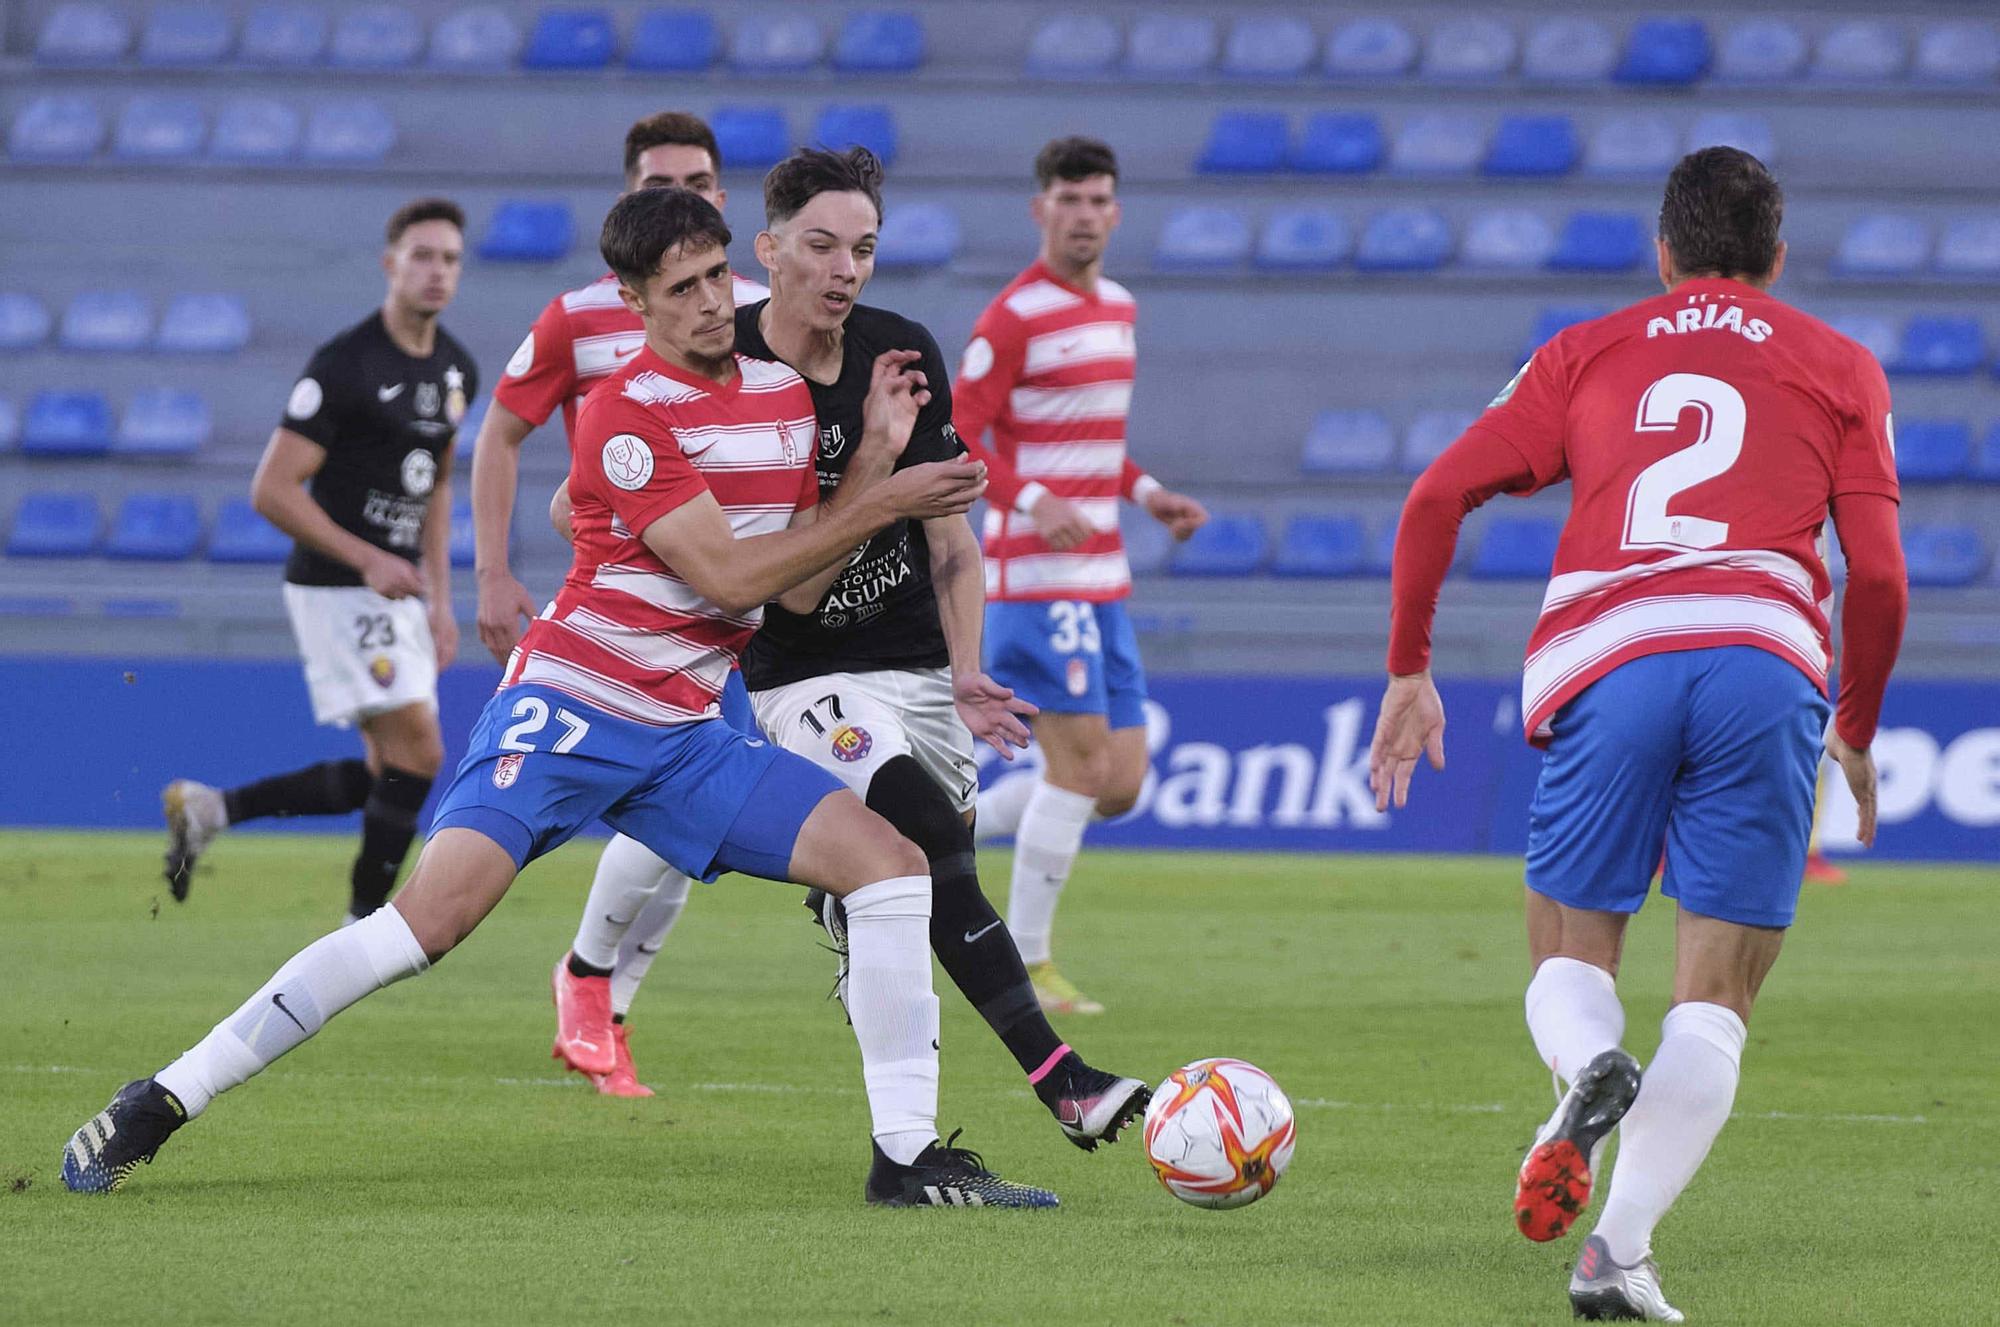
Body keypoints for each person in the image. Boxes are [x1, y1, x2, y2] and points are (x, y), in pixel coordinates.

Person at [64, 188, 1057, 1211]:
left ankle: (905, 1159)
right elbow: (725, 580)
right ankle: (163, 1097)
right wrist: (885, 495)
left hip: (683, 733)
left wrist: (877, 464)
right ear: (635, 302)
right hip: (573, 707)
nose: (714, 301)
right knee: (422, 927)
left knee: (891, 867)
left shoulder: (780, 401)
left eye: (719, 274)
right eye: (683, 288)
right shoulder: (625, 417)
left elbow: (794, 587)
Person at [1367, 147, 1907, 1321]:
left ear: (1658, 253)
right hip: (1763, 663)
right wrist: (1853, 728)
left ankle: (1580, 1069)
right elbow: (1876, 579)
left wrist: (1409, 668)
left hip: (1611, 656)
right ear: (1774, 256)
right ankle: (1613, 1249)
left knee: (1567, 951)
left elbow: (1429, 499)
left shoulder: (1585, 349)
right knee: (1715, 995)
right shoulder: (1838, 364)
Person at [553, 146, 1152, 1149]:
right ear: (770, 247)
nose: (844, 270)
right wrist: (870, 464)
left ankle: (856, 931)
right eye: (822, 246)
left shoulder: (900, 347)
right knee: (928, 840)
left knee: (928, 864)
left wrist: (964, 671)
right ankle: (1062, 1083)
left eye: (863, 249)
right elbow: (788, 588)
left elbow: (951, 543)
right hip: (800, 673)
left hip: (915, 665)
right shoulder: (727, 366)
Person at [470, 110, 768, 1095]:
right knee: (689, 811)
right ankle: (590, 977)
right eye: (652, 183)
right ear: (626, 199)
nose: (674, 194)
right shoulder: (578, 316)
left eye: (692, 181)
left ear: (722, 200)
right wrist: (493, 569)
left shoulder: (758, 314)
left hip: (738, 605)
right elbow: (502, 437)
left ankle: (598, 992)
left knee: (693, 836)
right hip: (632, 616)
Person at [161, 199, 477, 925]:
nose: (437, 271)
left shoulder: (457, 369)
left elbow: (437, 481)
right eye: (422, 255)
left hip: (399, 590)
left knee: (387, 770)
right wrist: (369, 559)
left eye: (450, 258)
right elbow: (271, 489)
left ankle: (210, 809)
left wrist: (440, 597)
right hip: (338, 585)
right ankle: (366, 925)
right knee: (422, 754)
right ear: (390, 263)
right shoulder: (346, 365)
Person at [954, 137, 1209, 1015]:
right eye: (1070, 199)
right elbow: (961, 430)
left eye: (1099, 200)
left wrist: (1148, 491)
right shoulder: (1013, 315)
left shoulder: (1121, 308)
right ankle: (1026, 962)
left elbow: (1090, 441)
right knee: (1083, 765)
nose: (1086, 214)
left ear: (1117, 211)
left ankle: (937, 828)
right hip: (1034, 576)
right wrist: (1028, 500)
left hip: (1102, 573)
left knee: (1121, 782)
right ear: (1041, 210)